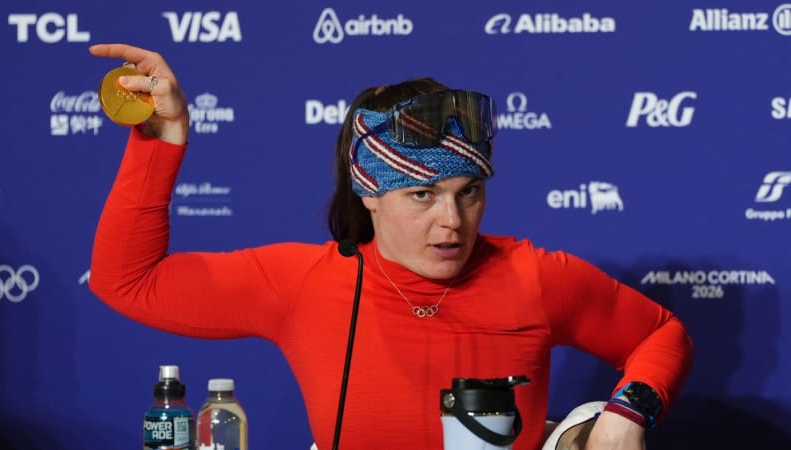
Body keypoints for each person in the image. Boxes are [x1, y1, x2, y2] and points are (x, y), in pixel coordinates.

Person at [87, 43, 693, 450]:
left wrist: (627, 411)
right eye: (423, 195)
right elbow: (127, 282)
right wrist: (160, 139)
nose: (452, 221)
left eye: (469, 192)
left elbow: (660, 334)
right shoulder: (305, 283)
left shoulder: (532, 275)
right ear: (370, 195)